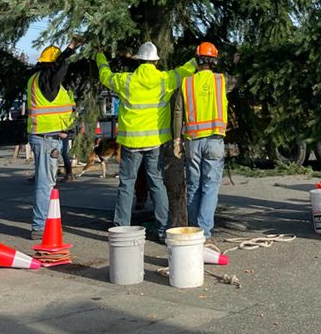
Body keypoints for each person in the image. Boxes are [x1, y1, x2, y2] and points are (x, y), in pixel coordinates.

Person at [96, 41, 196, 241]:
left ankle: (121, 229)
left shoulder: (126, 81)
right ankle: (162, 230)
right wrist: (197, 59)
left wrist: (100, 57)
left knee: (126, 184)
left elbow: (105, 76)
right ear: (156, 61)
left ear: (139, 60)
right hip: (155, 142)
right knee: (157, 184)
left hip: (131, 143)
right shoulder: (165, 79)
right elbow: (185, 71)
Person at [172, 41, 234, 249]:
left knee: (193, 187)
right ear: (214, 60)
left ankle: (194, 231)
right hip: (215, 141)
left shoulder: (187, 83)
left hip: (192, 142)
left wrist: (176, 140)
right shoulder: (221, 81)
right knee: (210, 188)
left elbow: (178, 112)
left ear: (197, 59)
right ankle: (205, 233)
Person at [27, 39, 80, 239]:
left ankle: (42, 224)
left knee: (47, 182)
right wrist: (69, 50)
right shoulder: (46, 80)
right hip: (46, 138)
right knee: (45, 183)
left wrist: (65, 130)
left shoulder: (36, 79)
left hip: (47, 135)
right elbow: (61, 65)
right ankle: (40, 227)